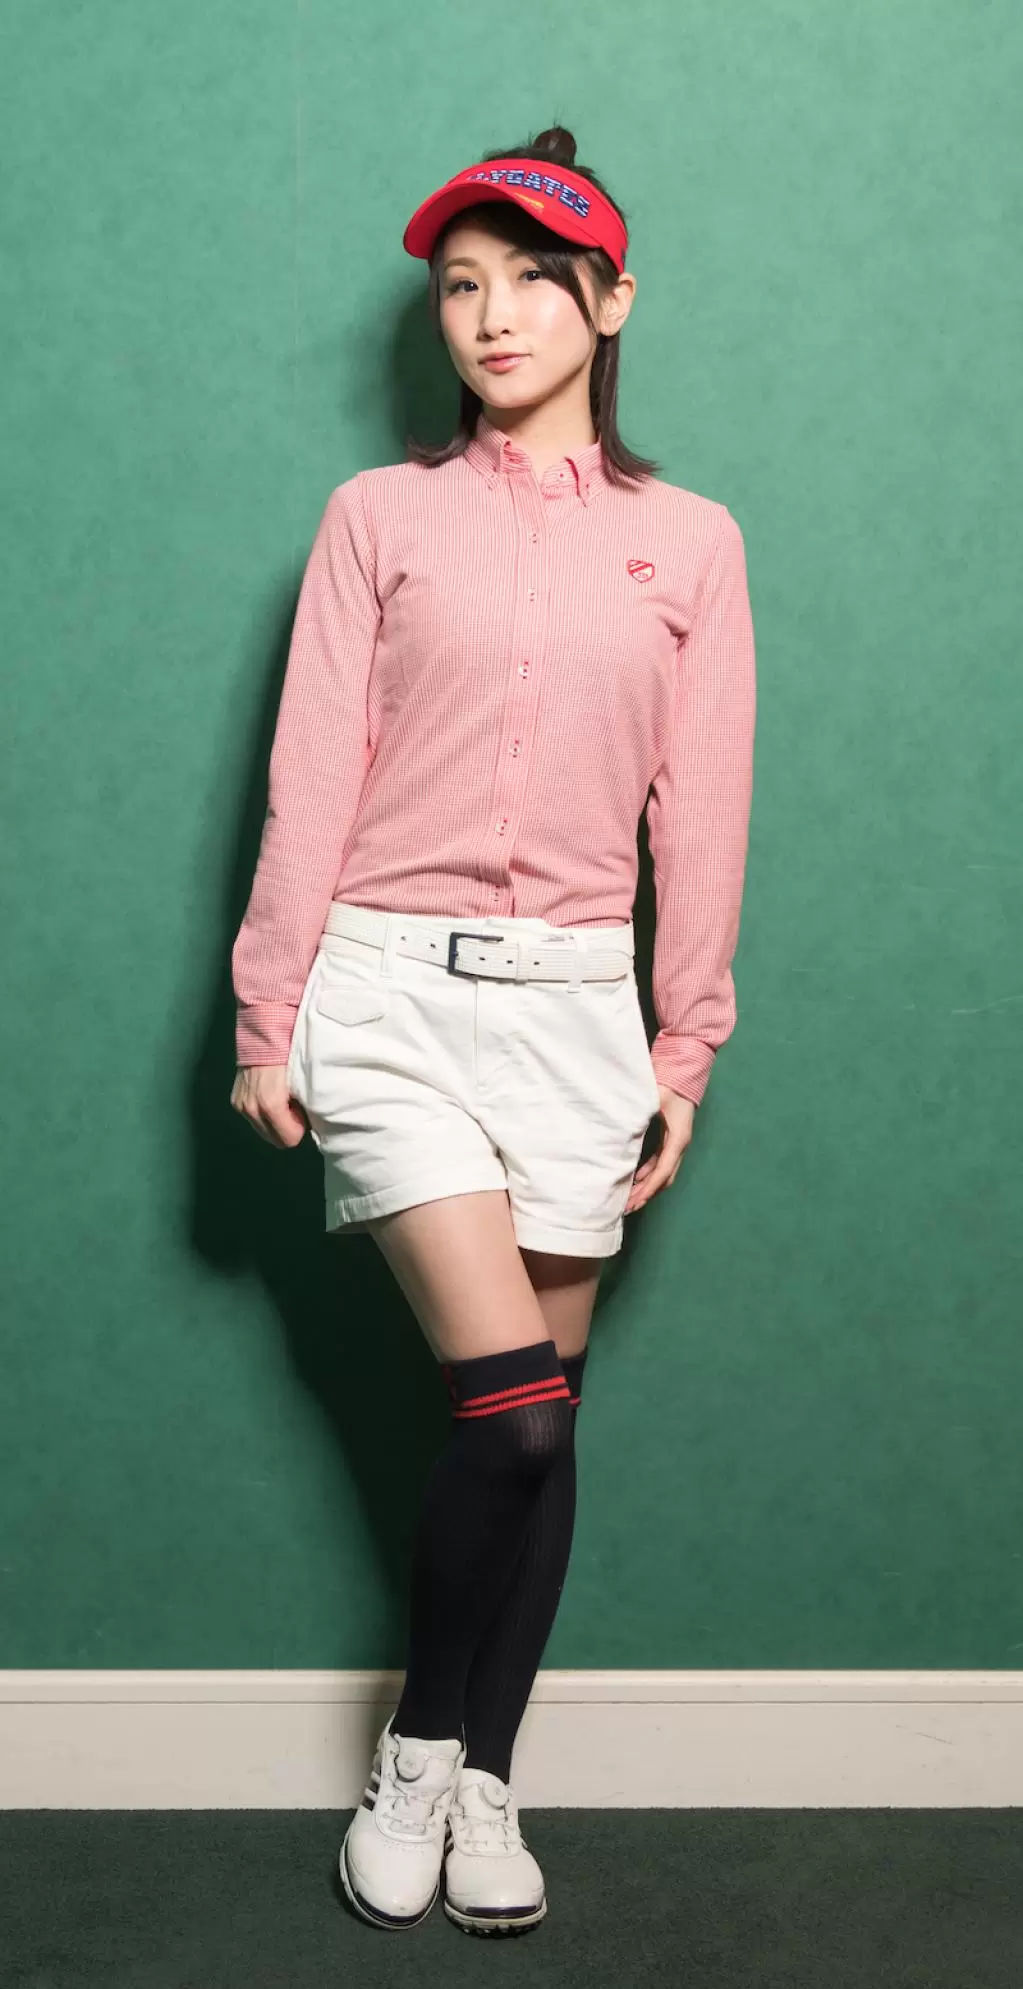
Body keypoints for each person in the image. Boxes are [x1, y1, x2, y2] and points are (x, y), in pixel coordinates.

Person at [229, 125, 756, 1937]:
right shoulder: (376, 520)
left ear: (613, 303)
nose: (493, 314)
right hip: (386, 992)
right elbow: (312, 770)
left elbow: (704, 806)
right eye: (462, 284)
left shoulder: (691, 544)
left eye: (535, 278)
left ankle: (485, 1783)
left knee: (549, 1424)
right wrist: (267, 1013)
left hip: (582, 1014)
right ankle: (415, 1747)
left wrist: (684, 1044)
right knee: (511, 1420)